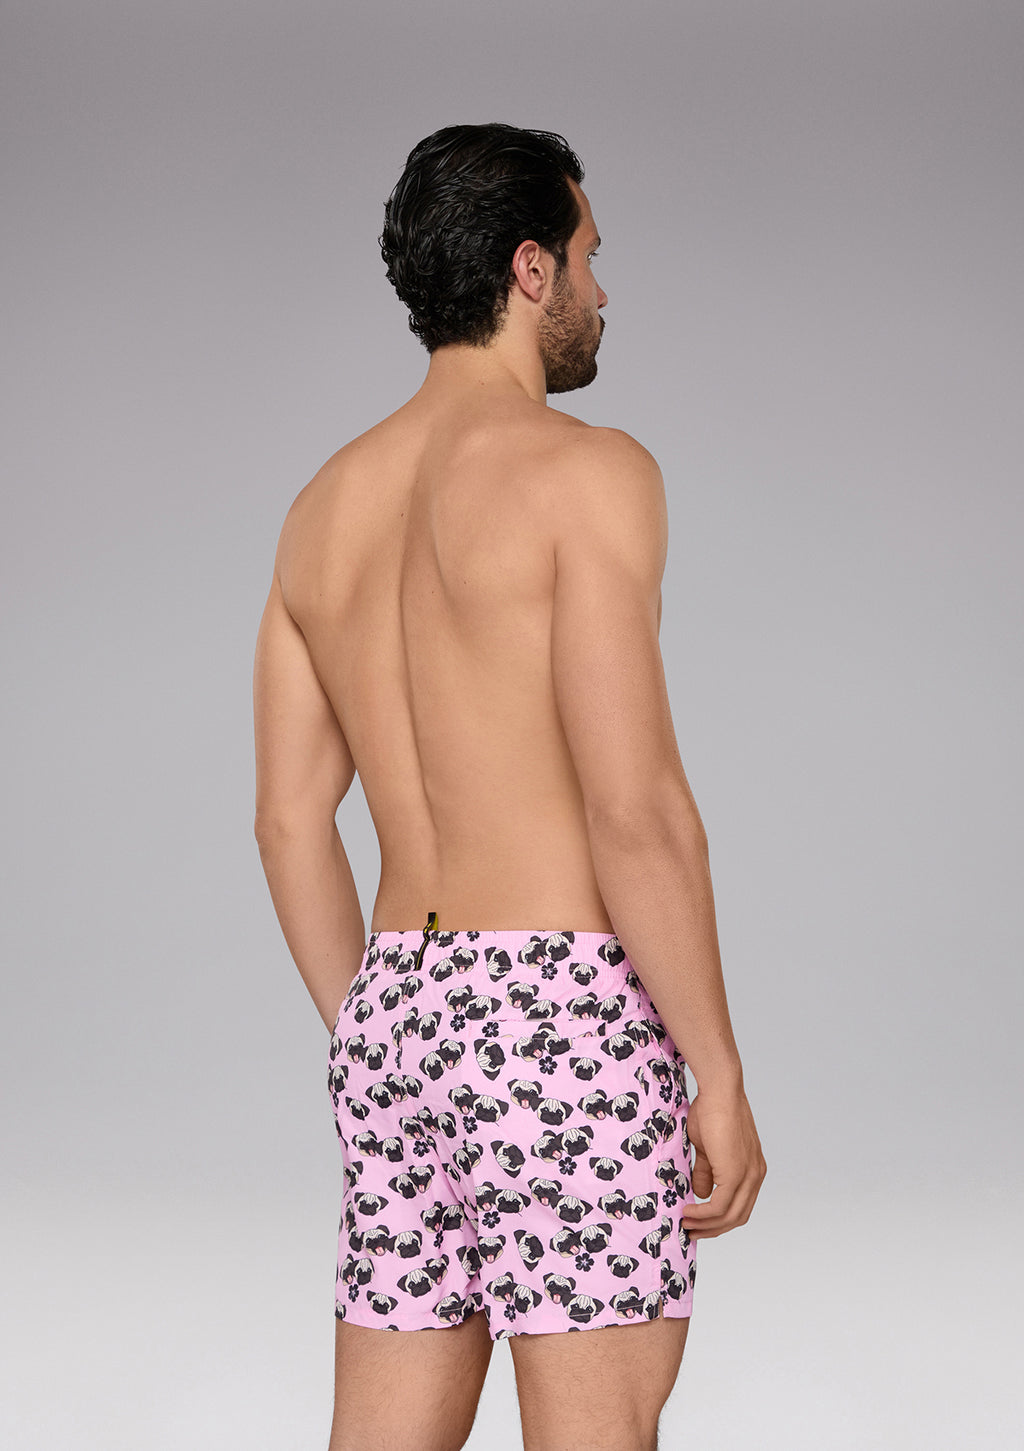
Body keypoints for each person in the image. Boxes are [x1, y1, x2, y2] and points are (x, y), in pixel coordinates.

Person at [253, 122, 766, 1451]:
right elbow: (635, 808)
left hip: (395, 1012)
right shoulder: (587, 473)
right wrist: (715, 1069)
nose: (602, 290)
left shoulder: (321, 509)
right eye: (591, 256)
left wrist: (375, 1028)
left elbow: (289, 822)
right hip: (559, 1014)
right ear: (531, 269)